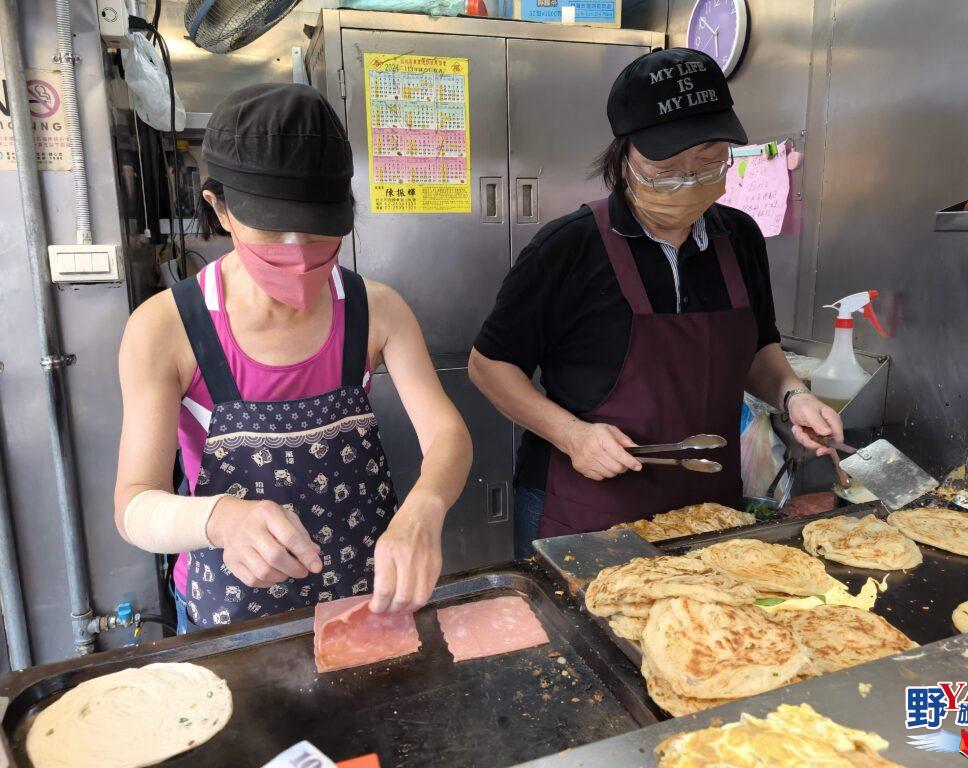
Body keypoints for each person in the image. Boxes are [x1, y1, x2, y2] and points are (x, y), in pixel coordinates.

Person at [114, 84, 472, 632]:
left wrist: (425, 507)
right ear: (220, 207)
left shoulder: (377, 311)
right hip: (230, 614)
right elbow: (134, 505)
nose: (297, 249)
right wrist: (220, 519)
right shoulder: (166, 328)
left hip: (366, 598)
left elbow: (447, 435)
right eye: (272, 228)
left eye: (317, 229)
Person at [469, 48, 842, 557]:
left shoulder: (741, 237)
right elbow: (489, 366)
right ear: (624, 159)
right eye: (666, 169)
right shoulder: (568, 247)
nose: (688, 183)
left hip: (707, 503)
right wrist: (573, 435)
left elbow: (758, 348)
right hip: (587, 504)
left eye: (708, 161)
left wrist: (794, 397)